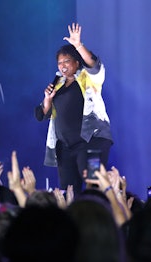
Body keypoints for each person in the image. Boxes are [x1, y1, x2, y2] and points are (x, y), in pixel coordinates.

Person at [35, 23, 113, 195]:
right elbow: (43, 114)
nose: (62, 66)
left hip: (91, 142)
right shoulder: (58, 84)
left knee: (94, 183)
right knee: (68, 192)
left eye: (67, 61)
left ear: (77, 62)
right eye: (59, 62)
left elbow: (95, 66)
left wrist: (78, 44)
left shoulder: (87, 78)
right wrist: (48, 99)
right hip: (66, 146)